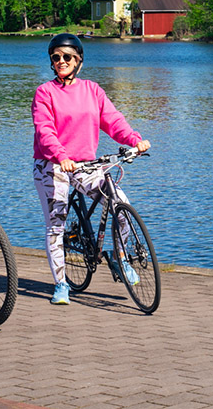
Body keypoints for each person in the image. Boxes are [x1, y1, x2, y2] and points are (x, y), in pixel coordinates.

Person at [31, 33, 150, 305]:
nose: (61, 61)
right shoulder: (45, 92)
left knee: (121, 206)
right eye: (56, 57)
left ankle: (120, 259)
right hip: (51, 164)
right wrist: (61, 156)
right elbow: (45, 130)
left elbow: (112, 120)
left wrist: (134, 140)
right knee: (56, 224)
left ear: (79, 61)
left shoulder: (92, 90)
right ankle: (61, 284)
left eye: (67, 57)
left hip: (85, 164)